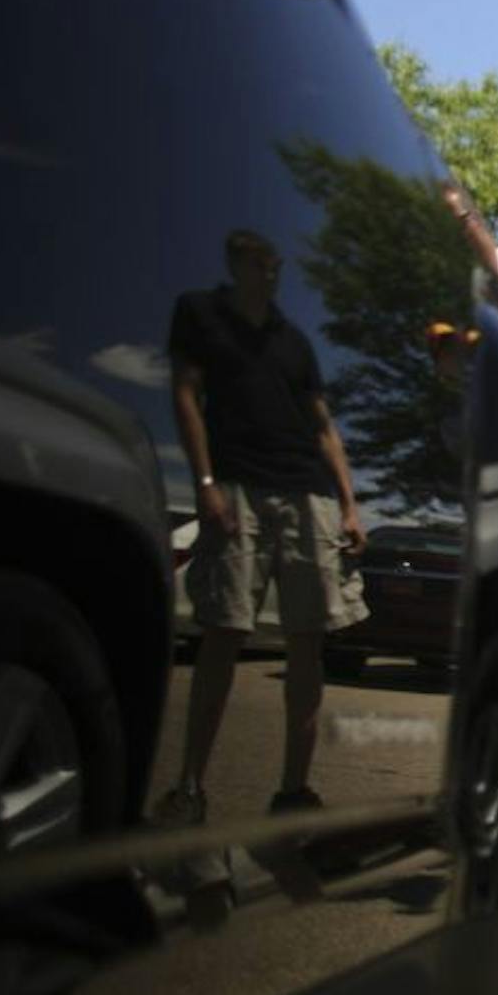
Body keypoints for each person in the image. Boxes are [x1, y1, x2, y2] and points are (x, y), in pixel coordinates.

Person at [161, 229, 368, 825]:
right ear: (235, 264)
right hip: (239, 487)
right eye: (258, 263)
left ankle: (293, 791)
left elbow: (324, 426)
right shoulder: (202, 313)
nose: (269, 273)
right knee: (225, 628)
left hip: (308, 494)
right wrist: (205, 484)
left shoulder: (292, 341)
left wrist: (349, 504)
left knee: (308, 639)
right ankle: (190, 786)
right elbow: (185, 391)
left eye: (275, 264)